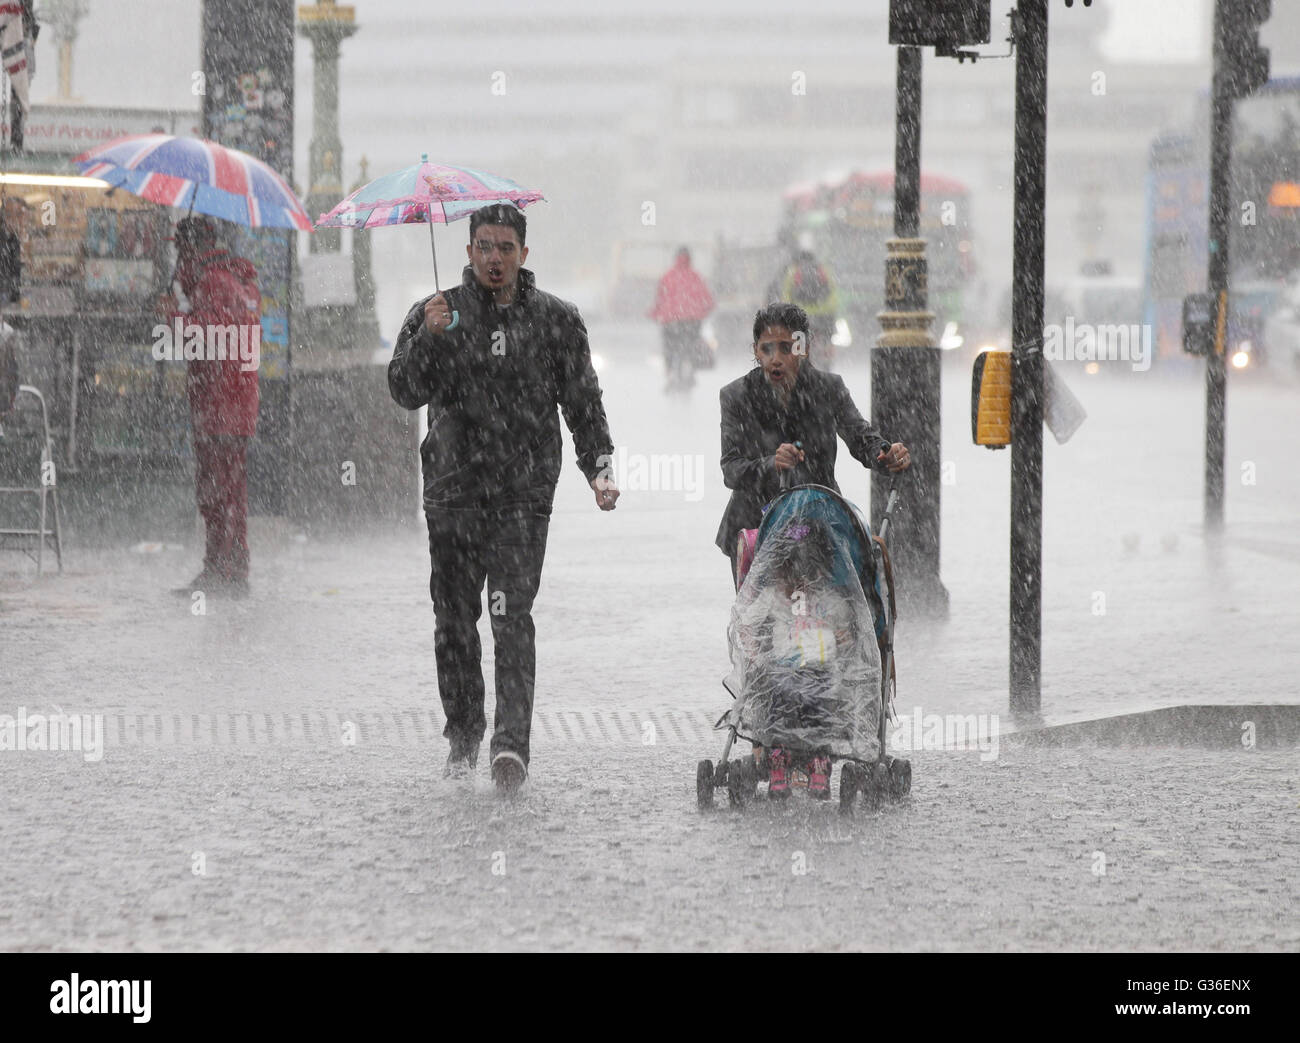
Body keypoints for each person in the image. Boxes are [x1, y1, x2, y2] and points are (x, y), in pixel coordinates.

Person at [389, 203, 619, 794]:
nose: (494, 258)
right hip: (453, 494)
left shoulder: (556, 322)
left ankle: (510, 744)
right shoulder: (434, 313)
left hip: (522, 493)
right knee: (455, 621)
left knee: (510, 616)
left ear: (524, 254)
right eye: (484, 247)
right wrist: (429, 340)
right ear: (468, 251)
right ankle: (463, 736)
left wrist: (598, 466)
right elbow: (404, 390)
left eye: (505, 248)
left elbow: (583, 401)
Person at [717, 301, 910, 585]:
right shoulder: (736, 396)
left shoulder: (828, 389)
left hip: (820, 519)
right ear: (756, 351)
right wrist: (771, 463)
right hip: (756, 526)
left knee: (846, 606)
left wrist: (885, 454)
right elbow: (731, 469)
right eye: (766, 348)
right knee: (763, 623)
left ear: (803, 348)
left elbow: (860, 436)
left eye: (786, 347)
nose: (776, 359)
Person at [165, 216, 261, 597]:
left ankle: (222, 568)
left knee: (216, 490)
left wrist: (172, 316)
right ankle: (229, 565)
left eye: (179, 250)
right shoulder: (236, 279)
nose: (176, 259)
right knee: (230, 489)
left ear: (192, 248)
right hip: (235, 402)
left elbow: (202, 342)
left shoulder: (212, 282)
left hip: (218, 403)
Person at [648, 246, 714, 389]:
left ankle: (671, 371)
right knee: (691, 345)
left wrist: (654, 313)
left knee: (669, 347)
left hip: (671, 321)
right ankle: (690, 368)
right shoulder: (696, 276)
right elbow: (707, 300)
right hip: (692, 321)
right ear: (689, 259)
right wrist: (704, 311)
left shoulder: (668, 276)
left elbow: (659, 300)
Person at [776, 247, 840, 370]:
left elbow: (786, 296)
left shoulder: (793, 271)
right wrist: (830, 313)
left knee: (797, 343)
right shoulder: (824, 270)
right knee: (826, 341)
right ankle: (826, 360)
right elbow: (833, 294)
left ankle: (799, 366)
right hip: (824, 315)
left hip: (801, 316)